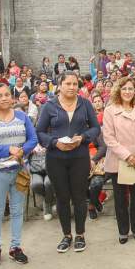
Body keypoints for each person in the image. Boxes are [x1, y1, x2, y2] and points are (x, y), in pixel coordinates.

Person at [36, 72, 101, 253]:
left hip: (79, 156)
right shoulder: (49, 106)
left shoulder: (85, 104)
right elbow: (40, 132)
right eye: (68, 83)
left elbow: (95, 127)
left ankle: (80, 234)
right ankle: (66, 235)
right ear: (60, 85)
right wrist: (55, 142)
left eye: (75, 84)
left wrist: (83, 137)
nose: (72, 87)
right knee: (62, 197)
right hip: (56, 158)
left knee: (80, 197)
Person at [0, 83, 38, 266]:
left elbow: (33, 139)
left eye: (7, 95)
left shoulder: (22, 117)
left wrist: (22, 150)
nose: (4, 98)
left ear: (12, 97)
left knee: (17, 211)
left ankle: (15, 247)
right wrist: (7, 149)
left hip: (19, 170)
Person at [101, 77, 135, 244]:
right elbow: (109, 138)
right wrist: (127, 156)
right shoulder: (110, 110)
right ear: (119, 90)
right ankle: (123, 231)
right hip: (119, 161)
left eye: (130, 89)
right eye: (124, 88)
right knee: (120, 198)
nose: (127, 92)